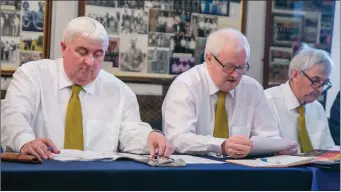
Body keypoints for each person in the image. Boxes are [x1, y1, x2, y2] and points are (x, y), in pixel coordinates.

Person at [1, 16, 173, 160]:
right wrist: (25, 141)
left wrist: (150, 137)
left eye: (98, 55)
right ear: (63, 47)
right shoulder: (32, 76)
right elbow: (13, 115)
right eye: (82, 52)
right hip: (41, 173)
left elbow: (131, 133)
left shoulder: (119, 91)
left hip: (98, 179)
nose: (90, 62)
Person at [162, 28, 296, 158]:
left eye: (241, 67)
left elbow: (269, 135)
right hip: (194, 171)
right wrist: (221, 145)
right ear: (209, 59)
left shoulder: (252, 88)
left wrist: (279, 147)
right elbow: (177, 138)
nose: (236, 75)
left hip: (242, 171)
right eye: (229, 67)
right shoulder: (186, 85)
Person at [265, 44, 337, 153]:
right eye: (315, 80)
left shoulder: (317, 108)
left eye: (325, 83)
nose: (321, 89)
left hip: (314, 169)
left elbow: (328, 148)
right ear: (295, 75)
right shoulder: (268, 101)